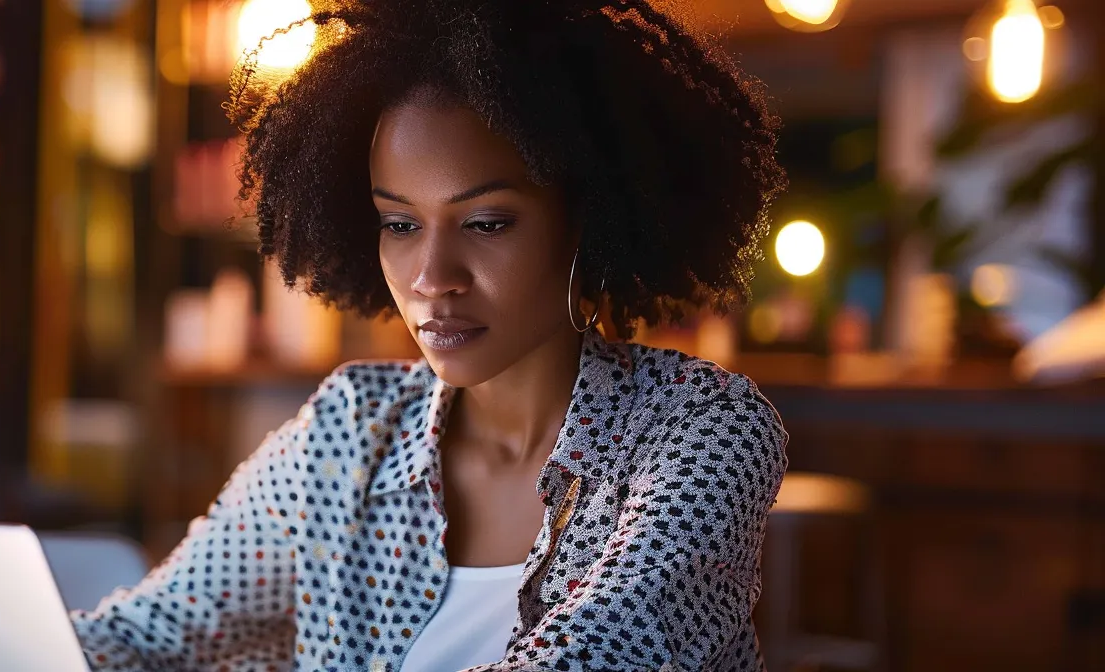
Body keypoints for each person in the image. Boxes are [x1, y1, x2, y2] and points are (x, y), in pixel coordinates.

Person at [73, 0, 789, 669]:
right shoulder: (350, 430)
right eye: (401, 224)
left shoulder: (702, 429)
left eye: (486, 223)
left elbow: (600, 652)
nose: (431, 277)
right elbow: (142, 637)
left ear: (590, 221)